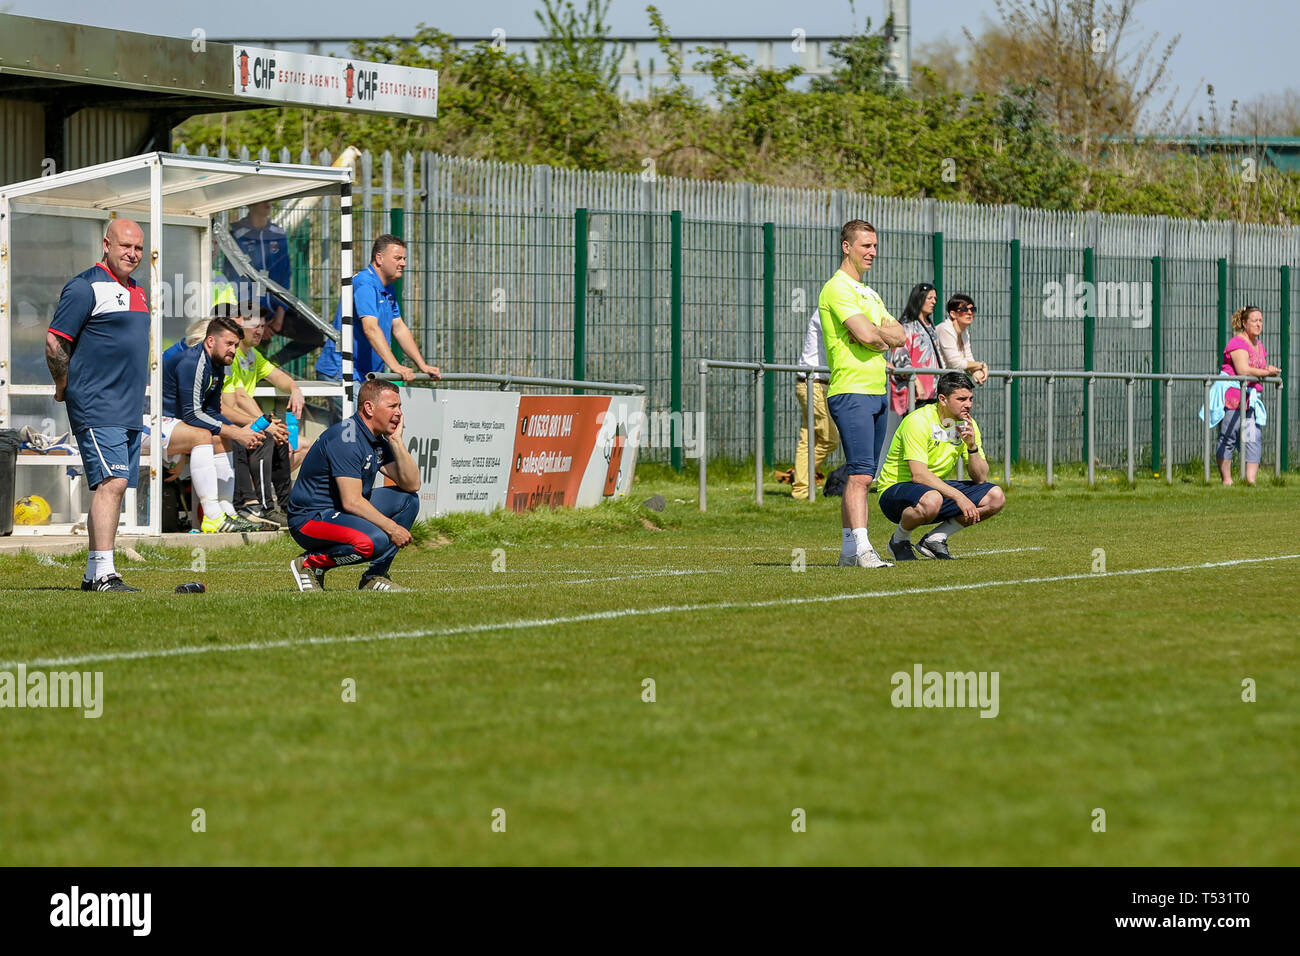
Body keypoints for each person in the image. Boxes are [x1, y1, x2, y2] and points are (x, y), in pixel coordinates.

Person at [46, 218, 150, 591]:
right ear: (106, 244)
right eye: (125, 246)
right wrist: (63, 385)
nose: (132, 254)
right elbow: (56, 342)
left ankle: (93, 574)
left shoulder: (137, 290)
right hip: (97, 403)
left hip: (128, 409)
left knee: (116, 485)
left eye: (138, 248)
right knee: (113, 481)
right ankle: (106, 574)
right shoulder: (84, 286)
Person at [818, 219, 907, 569]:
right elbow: (870, 336)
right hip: (851, 390)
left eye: (874, 246)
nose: (872, 252)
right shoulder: (836, 289)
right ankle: (865, 549)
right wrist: (873, 334)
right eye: (865, 245)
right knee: (860, 474)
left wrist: (874, 333)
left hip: (877, 390)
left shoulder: (869, 293)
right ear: (846, 246)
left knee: (864, 475)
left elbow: (898, 333)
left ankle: (848, 553)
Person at [287, 379, 421, 592]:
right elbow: (352, 501)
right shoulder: (346, 437)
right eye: (392, 406)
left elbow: (412, 484)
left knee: (408, 500)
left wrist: (397, 441)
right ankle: (309, 564)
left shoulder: (376, 438)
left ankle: (374, 577)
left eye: (400, 406)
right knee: (373, 541)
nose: (399, 413)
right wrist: (393, 528)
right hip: (310, 518)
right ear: (369, 408)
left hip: (341, 510)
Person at [876, 371, 1006, 560]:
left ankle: (935, 539)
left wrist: (972, 447)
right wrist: (959, 497)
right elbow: (918, 475)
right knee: (932, 499)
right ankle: (899, 541)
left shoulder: (968, 424)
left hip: (933, 491)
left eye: (970, 398)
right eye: (961, 399)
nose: (968, 404)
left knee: (995, 496)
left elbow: (980, 478)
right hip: (895, 491)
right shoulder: (918, 421)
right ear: (943, 399)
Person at [160, 312, 266, 534]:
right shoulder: (193, 362)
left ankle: (227, 512)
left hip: (177, 425)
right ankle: (213, 516)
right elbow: (193, 415)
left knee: (222, 438)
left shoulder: (217, 364)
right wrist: (237, 433)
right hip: (152, 422)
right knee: (204, 436)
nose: (233, 350)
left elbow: (211, 411)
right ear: (210, 341)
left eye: (236, 345)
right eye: (229, 344)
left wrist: (237, 432)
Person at [220, 304, 311, 526]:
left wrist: (295, 389)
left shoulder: (253, 355)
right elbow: (238, 398)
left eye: (263, 325)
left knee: (302, 445)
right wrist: (265, 423)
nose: (260, 331)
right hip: (231, 424)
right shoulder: (231, 355)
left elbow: (278, 376)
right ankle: (262, 504)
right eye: (256, 326)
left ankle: (281, 501)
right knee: (270, 439)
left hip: (244, 421)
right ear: (240, 323)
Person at [315, 234, 441, 385]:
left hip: (365, 374)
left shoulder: (388, 288)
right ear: (379, 258)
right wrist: (395, 366)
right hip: (343, 371)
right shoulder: (364, 284)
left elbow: (399, 328)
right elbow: (371, 329)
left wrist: (422, 365)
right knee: (366, 409)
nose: (403, 263)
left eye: (404, 259)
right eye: (397, 258)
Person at [224, 200, 321, 366]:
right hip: (249, 309)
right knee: (251, 353)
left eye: (270, 199)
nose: (268, 203)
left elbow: (284, 274)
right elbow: (234, 277)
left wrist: (280, 314)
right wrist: (255, 317)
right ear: (250, 204)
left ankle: (272, 365)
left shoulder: (278, 233)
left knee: (315, 335)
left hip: (276, 309)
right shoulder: (236, 232)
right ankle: (257, 376)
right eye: (263, 199)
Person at [1216, 305, 1281, 486]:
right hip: (1234, 397)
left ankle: (1249, 481)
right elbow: (1243, 370)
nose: (1259, 324)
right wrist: (1265, 373)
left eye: (1260, 320)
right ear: (1244, 323)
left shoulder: (1259, 345)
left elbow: (1258, 368)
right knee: (1229, 434)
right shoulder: (1237, 343)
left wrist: (1268, 369)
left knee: (1252, 438)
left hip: (1250, 398)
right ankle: (1227, 480)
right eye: (1254, 321)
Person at [883, 282, 941, 455]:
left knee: (932, 435)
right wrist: (915, 382)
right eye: (929, 298)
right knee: (916, 434)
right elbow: (900, 356)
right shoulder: (907, 326)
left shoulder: (931, 326)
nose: (933, 302)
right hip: (915, 392)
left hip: (933, 390)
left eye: (935, 298)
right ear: (919, 299)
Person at [792, 308, 839, 499]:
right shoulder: (827, 312)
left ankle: (801, 488)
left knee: (808, 438)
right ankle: (802, 480)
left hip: (815, 383)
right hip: (814, 383)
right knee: (829, 439)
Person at [935, 293, 988, 385]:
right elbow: (955, 363)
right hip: (934, 381)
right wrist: (981, 365)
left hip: (947, 381)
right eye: (964, 309)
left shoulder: (964, 332)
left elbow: (968, 357)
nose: (970, 312)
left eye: (972, 309)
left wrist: (976, 371)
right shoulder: (945, 328)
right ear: (953, 314)